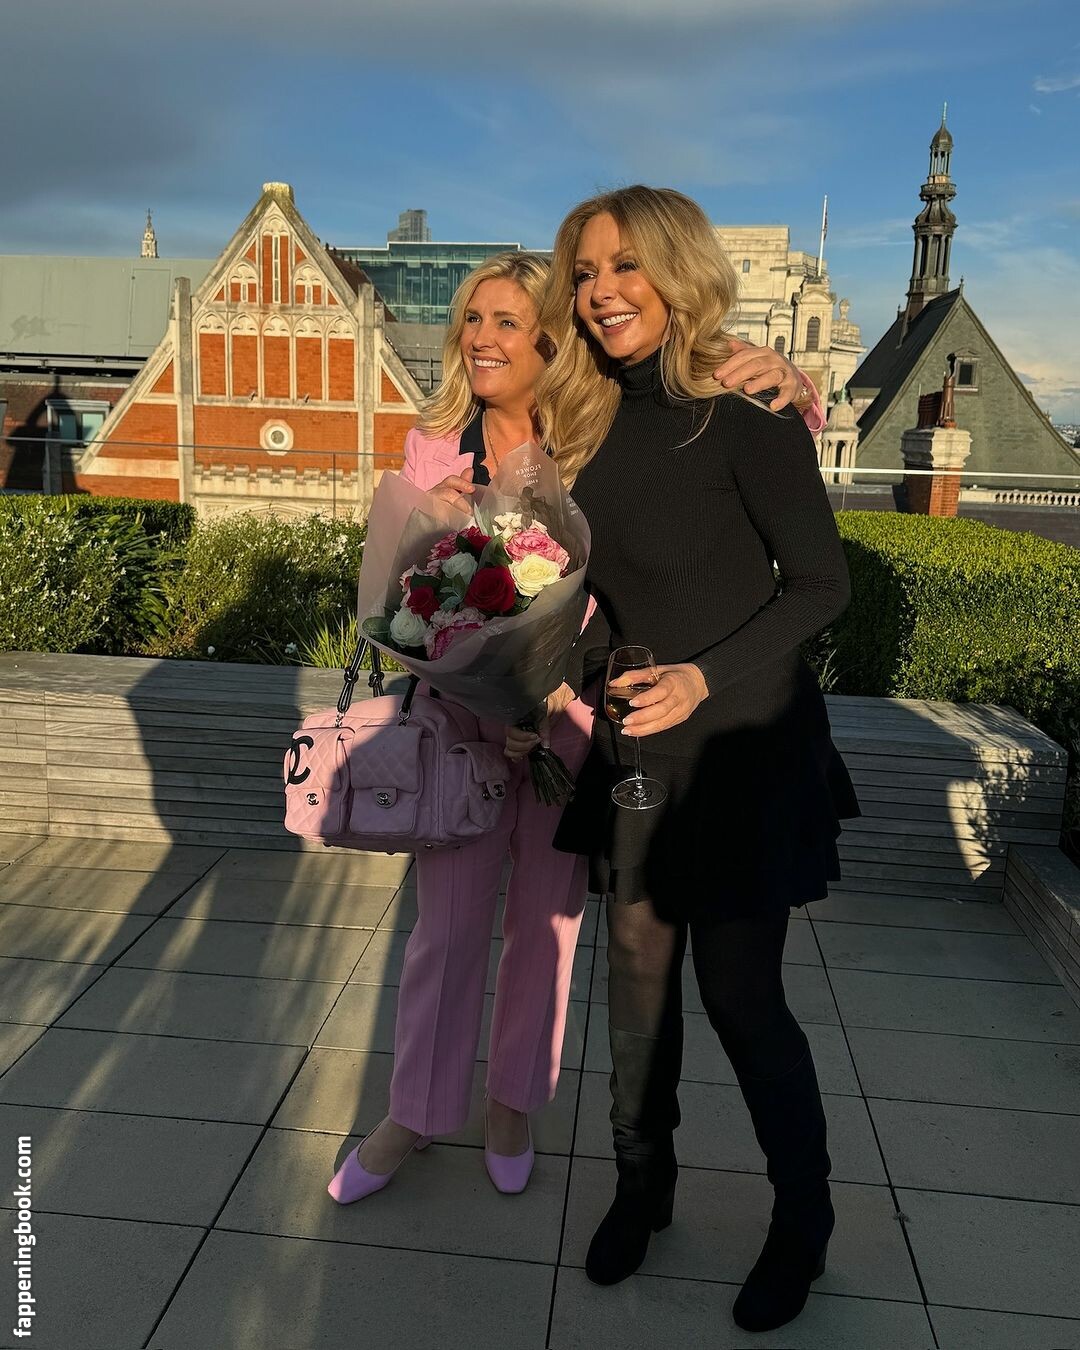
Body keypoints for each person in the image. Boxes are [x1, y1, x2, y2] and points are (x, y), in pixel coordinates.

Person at [328, 250, 821, 1204]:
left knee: (546, 932)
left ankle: (513, 1105)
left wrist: (794, 380)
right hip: (463, 728)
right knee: (446, 931)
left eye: (506, 322)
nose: (480, 339)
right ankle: (415, 1114)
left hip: (574, 729)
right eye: (472, 320)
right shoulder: (431, 447)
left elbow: (738, 437)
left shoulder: (598, 435)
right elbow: (402, 606)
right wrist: (437, 559)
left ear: (553, 342)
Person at [536, 188, 860, 1335]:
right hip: (638, 745)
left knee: (739, 996)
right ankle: (644, 1188)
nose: (602, 290)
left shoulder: (745, 409)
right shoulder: (578, 424)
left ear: (676, 273)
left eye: (624, 265)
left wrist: (699, 679)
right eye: (584, 271)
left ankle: (803, 1221)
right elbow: (598, 595)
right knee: (634, 991)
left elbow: (821, 585)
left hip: (740, 749)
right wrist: (562, 658)